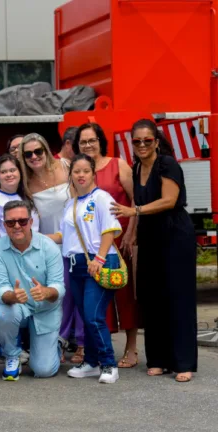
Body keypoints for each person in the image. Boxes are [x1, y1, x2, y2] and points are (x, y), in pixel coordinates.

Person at [110, 118, 197, 383]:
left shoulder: (167, 164)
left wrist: (133, 211)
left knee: (177, 297)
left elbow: (169, 200)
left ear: (156, 142)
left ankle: (183, 362)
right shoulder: (137, 168)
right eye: (137, 141)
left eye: (148, 140)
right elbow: (139, 199)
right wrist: (133, 231)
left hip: (174, 234)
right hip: (149, 236)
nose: (142, 145)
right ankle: (158, 358)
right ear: (132, 144)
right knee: (152, 296)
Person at [48, 154, 122, 384]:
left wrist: (99, 259)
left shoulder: (101, 198)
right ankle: (90, 362)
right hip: (75, 265)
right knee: (85, 314)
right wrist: (39, 238)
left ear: (93, 174)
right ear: (71, 175)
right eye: (76, 171)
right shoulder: (71, 203)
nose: (80, 175)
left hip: (97, 263)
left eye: (85, 171)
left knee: (93, 315)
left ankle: (108, 363)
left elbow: (109, 230)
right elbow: (65, 235)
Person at [73, 123, 138, 368]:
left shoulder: (117, 164)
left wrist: (131, 232)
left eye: (92, 140)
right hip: (92, 244)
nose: (88, 145)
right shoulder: (79, 170)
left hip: (120, 238)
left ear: (101, 141)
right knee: (97, 298)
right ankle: (98, 348)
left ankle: (131, 348)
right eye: (83, 142)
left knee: (125, 294)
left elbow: (135, 200)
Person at [0, 201, 64, 381]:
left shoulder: (49, 247)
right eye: (10, 222)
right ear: (4, 224)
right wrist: (11, 296)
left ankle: (55, 346)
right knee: (2, 312)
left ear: (31, 222)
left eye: (22, 221)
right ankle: (12, 355)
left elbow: (59, 286)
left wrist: (46, 292)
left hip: (45, 310)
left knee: (44, 371)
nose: (16, 226)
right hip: (18, 307)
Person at [17, 133, 75, 361]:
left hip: (72, 240)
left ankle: (76, 342)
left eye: (38, 151)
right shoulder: (25, 181)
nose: (34, 156)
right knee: (55, 295)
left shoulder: (66, 167)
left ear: (46, 150)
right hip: (47, 244)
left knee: (73, 294)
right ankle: (57, 342)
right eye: (28, 153)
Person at [0, 154, 40, 252]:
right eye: (3, 172)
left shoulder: (26, 196)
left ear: (20, 172)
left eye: (12, 170)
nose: (9, 174)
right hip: (7, 259)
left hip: (32, 256)